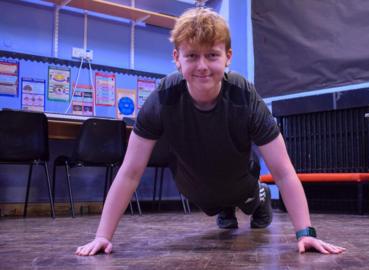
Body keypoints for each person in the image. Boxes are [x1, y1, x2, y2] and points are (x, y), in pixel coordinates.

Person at [75, 7, 345, 256]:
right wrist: (103, 236)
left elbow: (284, 172)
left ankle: (257, 198)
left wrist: (306, 232)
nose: (202, 66)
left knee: (243, 193)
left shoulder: (244, 95)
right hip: (195, 186)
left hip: (238, 178)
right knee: (212, 202)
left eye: (212, 55)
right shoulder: (163, 97)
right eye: (192, 55)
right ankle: (224, 207)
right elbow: (130, 172)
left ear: (228, 57)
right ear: (177, 59)